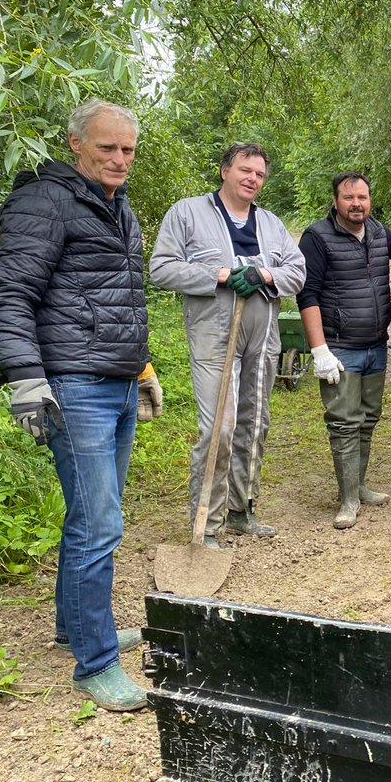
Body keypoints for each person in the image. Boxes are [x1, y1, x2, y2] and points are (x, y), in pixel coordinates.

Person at [0, 99, 161, 711]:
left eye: (128, 150)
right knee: (99, 523)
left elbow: (120, 299)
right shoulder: (46, 200)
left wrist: (141, 367)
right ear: (75, 144)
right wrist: (25, 379)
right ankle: (96, 664)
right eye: (107, 147)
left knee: (89, 517)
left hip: (113, 382)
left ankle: (78, 630)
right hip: (73, 386)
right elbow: (11, 296)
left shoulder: (117, 206)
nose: (119, 159)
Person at [150, 143, 306, 544]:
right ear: (225, 170)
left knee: (254, 424)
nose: (252, 178)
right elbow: (162, 268)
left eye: (259, 174)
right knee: (220, 426)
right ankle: (207, 521)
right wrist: (219, 275)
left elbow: (297, 271)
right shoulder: (187, 212)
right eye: (245, 170)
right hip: (214, 333)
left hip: (263, 331)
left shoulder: (270, 223)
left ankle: (242, 508)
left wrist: (264, 276)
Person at [297, 172, 391, 529]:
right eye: (349, 197)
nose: (357, 204)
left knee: (368, 419)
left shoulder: (379, 232)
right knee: (343, 423)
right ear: (336, 201)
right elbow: (306, 295)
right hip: (339, 347)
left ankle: (360, 485)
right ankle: (348, 499)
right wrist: (319, 350)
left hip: (376, 345)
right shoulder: (317, 237)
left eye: (363, 197)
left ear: (370, 200)